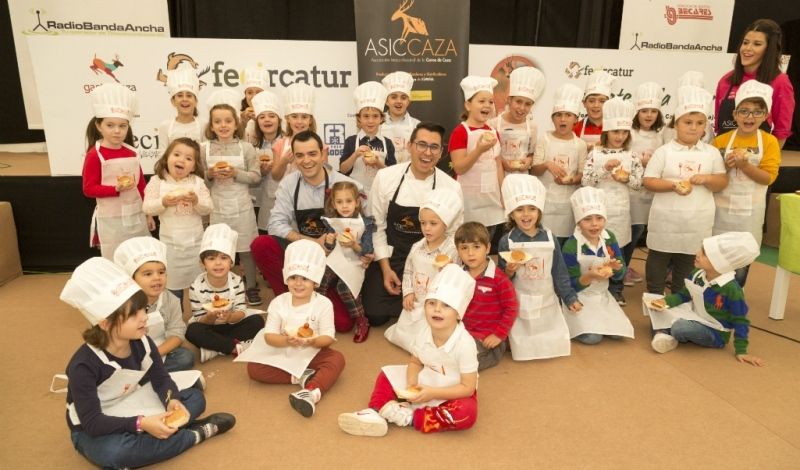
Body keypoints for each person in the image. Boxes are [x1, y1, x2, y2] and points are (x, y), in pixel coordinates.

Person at [60, 257, 235, 469]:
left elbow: (161, 379)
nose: (144, 317)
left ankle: (159, 435)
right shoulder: (83, 365)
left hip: (131, 402)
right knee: (114, 453)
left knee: (195, 397)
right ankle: (194, 434)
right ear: (106, 323)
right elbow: (93, 423)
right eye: (133, 315)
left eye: (143, 309)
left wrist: (172, 401)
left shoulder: (142, 340)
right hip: (95, 425)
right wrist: (140, 423)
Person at [338, 264, 478, 437]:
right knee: (386, 375)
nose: (437, 309)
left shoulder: (465, 344)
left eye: (446, 305)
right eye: (431, 303)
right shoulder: (423, 331)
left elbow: (468, 388)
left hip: (453, 390)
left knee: (467, 412)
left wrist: (433, 393)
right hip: (425, 380)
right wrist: (412, 384)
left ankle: (411, 417)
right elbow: (415, 362)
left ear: (458, 313)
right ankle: (375, 411)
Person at [251, 130, 361, 332]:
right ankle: (290, 301)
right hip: (301, 254)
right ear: (293, 158)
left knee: (343, 324)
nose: (306, 161)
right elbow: (275, 224)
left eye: (312, 154)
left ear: (323, 154)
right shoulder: (289, 183)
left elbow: (366, 224)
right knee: (261, 244)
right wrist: (311, 242)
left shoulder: (344, 184)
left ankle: (316, 297)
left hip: (334, 261)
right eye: (300, 155)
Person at [362, 122, 463, 326]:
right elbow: (376, 226)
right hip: (392, 255)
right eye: (421, 145)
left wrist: (439, 269)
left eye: (434, 147)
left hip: (431, 260)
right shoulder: (386, 177)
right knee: (374, 314)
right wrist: (385, 269)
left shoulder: (451, 186)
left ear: (441, 152)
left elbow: (454, 235)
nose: (427, 152)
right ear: (409, 146)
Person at [238, 240, 345, 417]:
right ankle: (300, 377)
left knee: (337, 359)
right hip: (282, 350)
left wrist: (312, 341)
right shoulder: (278, 302)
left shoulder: (324, 304)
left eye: (305, 278)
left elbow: (328, 338)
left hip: (313, 351)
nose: (298, 283)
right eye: (293, 277)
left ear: (315, 282)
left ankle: (311, 392)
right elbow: (269, 336)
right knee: (254, 369)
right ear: (286, 279)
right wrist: (286, 340)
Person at [643, 86, 728, 296]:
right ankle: (655, 296)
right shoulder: (664, 152)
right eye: (687, 122)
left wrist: (707, 178)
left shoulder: (711, 153)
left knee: (688, 261)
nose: (693, 128)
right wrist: (673, 185)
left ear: (705, 126)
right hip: (665, 220)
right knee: (658, 258)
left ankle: (679, 299)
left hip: (697, 221)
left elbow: (721, 181)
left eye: (699, 123)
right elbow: (649, 181)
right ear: (676, 124)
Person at [646, 232, 764, 367]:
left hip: (714, 331)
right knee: (656, 309)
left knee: (681, 327)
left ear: (718, 263)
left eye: (704, 254)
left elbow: (740, 320)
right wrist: (665, 302)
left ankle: (663, 332)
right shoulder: (696, 274)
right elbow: (683, 295)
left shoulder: (732, 290)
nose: (697, 254)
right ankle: (663, 335)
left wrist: (741, 351)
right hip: (694, 316)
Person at [498, 174, 582, 360]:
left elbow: (559, 271)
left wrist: (569, 297)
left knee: (550, 339)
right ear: (511, 213)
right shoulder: (507, 241)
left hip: (547, 299)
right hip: (519, 302)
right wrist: (509, 271)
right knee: (521, 340)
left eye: (532, 209)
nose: (526, 214)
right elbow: (501, 280)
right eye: (519, 209)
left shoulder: (550, 238)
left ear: (539, 211)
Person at [712, 80, 781, 287]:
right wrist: (725, 165)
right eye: (744, 111)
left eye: (757, 112)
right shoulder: (721, 141)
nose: (749, 117)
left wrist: (745, 166)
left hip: (749, 215)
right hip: (719, 213)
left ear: (766, 115)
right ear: (735, 115)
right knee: (715, 259)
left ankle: (735, 297)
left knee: (741, 262)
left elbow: (768, 178)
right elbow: (712, 176)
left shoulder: (769, 142)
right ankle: (711, 298)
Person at [201, 89, 263, 306]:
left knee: (246, 250)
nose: (223, 125)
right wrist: (210, 174)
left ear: (236, 124)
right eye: (217, 121)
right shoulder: (204, 149)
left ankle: (251, 287)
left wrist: (236, 173)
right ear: (211, 126)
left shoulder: (246, 148)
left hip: (242, 208)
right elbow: (201, 182)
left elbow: (256, 177)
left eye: (228, 121)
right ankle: (221, 288)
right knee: (219, 250)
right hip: (218, 208)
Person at [581, 97, 644, 306]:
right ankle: (594, 286)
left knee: (618, 253)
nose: (620, 136)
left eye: (624, 132)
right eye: (616, 132)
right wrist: (605, 169)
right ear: (607, 131)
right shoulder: (595, 154)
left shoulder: (631, 156)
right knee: (597, 250)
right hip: (597, 212)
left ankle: (616, 289)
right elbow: (585, 181)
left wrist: (627, 179)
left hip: (621, 212)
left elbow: (639, 183)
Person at [385, 187, 462, 352]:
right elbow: (408, 271)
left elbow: (456, 279)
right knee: (405, 334)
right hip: (417, 299)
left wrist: (449, 269)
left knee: (432, 338)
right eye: (423, 223)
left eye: (433, 223)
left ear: (446, 223)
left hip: (437, 303)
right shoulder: (416, 247)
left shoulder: (452, 249)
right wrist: (408, 292)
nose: (427, 228)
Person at [82, 83, 153, 260]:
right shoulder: (95, 155)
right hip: (111, 219)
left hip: (136, 216)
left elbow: (141, 185)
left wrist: (148, 213)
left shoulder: (132, 153)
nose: (117, 131)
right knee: (116, 259)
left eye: (122, 126)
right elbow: (89, 189)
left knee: (139, 257)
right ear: (99, 126)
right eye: (110, 125)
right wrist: (115, 189)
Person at [143, 138, 213, 300]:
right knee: (173, 287)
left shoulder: (198, 183)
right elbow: (147, 207)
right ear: (167, 157)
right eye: (176, 155)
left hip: (195, 244)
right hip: (170, 246)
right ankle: (176, 313)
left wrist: (196, 201)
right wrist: (163, 202)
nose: (181, 160)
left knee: (200, 285)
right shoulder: (157, 181)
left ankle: (201, 312)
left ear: (194, 166)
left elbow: (209, 207)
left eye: (188, 158)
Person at [562, 187, 634, 345]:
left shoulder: (609, 238)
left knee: (618, 334)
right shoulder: (571, 246)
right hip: (579, 297)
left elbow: (620, 275)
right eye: (587, 219)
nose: (594, 224)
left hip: (602, 295)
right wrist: (589, 276)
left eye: (599, 218)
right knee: (593, 338)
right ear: (578, 222)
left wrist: (617, 269)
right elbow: (569, 285)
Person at [114, 237, 195, 372]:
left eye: (161, 272)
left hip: (159, 349)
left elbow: (177, 333)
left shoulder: (171, 300)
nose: (157, 277)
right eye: (148, 274)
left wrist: (154, 355)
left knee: (186, 357)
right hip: (130, 353)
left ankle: (144, 376)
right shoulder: (123, 304)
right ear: (132, 279)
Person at [186, 224, 265, 363]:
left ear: (231, 262)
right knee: (192, 331)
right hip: (209, 327)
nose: (218, 263)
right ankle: (232, 347)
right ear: (202, 263)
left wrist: (230, 317)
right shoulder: (196, 287)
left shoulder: (237, 281)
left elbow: (241, 311)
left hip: (232, 324)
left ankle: (216, 348)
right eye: (211, 258)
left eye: (224, 258)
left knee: (257, 321)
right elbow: (199, 318)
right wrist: (209, 317)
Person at [715, 19, 795, 147]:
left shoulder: (780, 82)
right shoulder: (726, 80)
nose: (747, 48)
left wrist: (767, 157)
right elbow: (718, 128)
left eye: (757, 44)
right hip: (724, 155)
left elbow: (781, 132)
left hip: (759, 157)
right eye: (745, 42)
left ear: (769, 49)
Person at [450, 75, 506, 252]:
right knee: (470, 249)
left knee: (487, 249)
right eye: (481, 101)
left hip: (492, 202)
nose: (487, 105)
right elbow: (459, 168)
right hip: (469, 203)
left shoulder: (493, 132)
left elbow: (498, 165)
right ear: (468, 105)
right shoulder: (460, 132)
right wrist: (479, 150)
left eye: (490, 102)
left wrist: (503, 195)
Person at [455, 222, 518, 370]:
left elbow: (511, 308)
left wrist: (499, 335)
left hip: (488, 339)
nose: (470, 253)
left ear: (488, 248)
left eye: (476, 247)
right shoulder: (457, 275)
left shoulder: (499, 279)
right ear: (458, 251)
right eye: (464, 248)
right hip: (461, 333)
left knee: (464, 362)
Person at [318, 181, 375, 342]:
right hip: (336, 258)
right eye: (339, 202)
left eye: (348, 201)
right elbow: (329, 248)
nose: (344, 206)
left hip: (356, 262)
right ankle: (318, 314)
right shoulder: (332, 222)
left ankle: (361, 320)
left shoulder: (365, 223)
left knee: (344, 287)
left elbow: (368, 250)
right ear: (333, 204)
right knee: (320, 279)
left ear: (356, 202)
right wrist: (329, 241)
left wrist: (354, 245)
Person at [532, 83, 588, 246]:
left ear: (575, 119)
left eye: (568, 115)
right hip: (545, 202)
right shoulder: (544, 139)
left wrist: (571, 180)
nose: (563, 119)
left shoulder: (580, 144)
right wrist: (547, 164)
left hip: (568, 205)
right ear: (552, 118)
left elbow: (582, 174)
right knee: (545, 242)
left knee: (565, 243)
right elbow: (534, 171)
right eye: (558, 115)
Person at [626, 82, 666, 287]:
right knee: (629, 231)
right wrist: (638, 161)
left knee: (640, 229)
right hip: (629, 192)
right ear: (637, 112)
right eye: (644, 111)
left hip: (650, 193)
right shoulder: (629, 133)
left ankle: (625, 266)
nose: (649, 115)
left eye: (653, 111)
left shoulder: (661, 136)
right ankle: (622, 267)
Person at [340, 81, 396, 193]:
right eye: (366, 116)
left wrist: (377, 163)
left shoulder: (387, 143)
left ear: (381, 118)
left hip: (380, 194)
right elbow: (343, 170)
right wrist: (355, 155)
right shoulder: (351, 141)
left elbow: (393, 174)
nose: (370, 121)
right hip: (356, 195)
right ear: (359, 118)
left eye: (375, 116)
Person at [489, 66, 544, 174]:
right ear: (509, 100)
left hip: (522, 177)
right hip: (498, 176)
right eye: (518, 101)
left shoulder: (532, 127)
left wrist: (529, 161)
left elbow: (531, 154)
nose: (522, 108)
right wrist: (502, 162)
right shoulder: (493, 124)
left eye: (527, 104)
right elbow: (488, 154)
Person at [250, 90, 284, 234]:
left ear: (279, 120)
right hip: (257, 200)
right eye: (262, 117)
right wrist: (261, 171)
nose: (267, 120)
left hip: (281, 199)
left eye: (272, 116)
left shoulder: (287, 143)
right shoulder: (251, 145)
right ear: (257, 122)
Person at [271, 83, 319, 181]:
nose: (299, 121)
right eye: (294, 116)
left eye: (304, 117)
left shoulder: (320, 144)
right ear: (287, 118)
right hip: (286, 190)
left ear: (310, 120)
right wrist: (284, 161)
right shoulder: (279, 144)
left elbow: (324, 173)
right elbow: (275, 177)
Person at [157, 68, 204, 147]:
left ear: (196, 101)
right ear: (173, 101)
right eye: (180, 95)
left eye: (189, 95)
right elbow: (162, 154)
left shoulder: (204, 125)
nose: (184, 99)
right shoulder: (165, 126)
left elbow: (206, 154)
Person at [381, 71, 420, 163]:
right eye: (394, 97)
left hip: (408, 171)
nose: (399, 101)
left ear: (408, 102)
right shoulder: (377, 123)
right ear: (386, 101)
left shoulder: (417, 125)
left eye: (403, 97)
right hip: (382, 170)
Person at [573, 71, 615, 151]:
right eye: (591, 101)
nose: (596, 105)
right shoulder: (576, 129)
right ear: (584, 103)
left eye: (602, 101)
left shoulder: (615, 127)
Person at [239, 67, 268, 144]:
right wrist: (242, 122)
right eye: (249, 92)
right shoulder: (238, 116)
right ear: (245, 95)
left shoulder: (273, 117)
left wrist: (259, 121)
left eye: (258, 92)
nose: (254, 96)